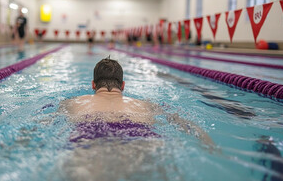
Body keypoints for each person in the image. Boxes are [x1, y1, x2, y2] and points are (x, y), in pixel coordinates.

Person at [59, 57, 215, 147]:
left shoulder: (73, 102)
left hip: (88, 134)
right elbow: (180, 121)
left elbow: (44, 121)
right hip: (139, 135)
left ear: (93, 85)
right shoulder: (146, 104)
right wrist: (208, 144)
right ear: (123, 85)